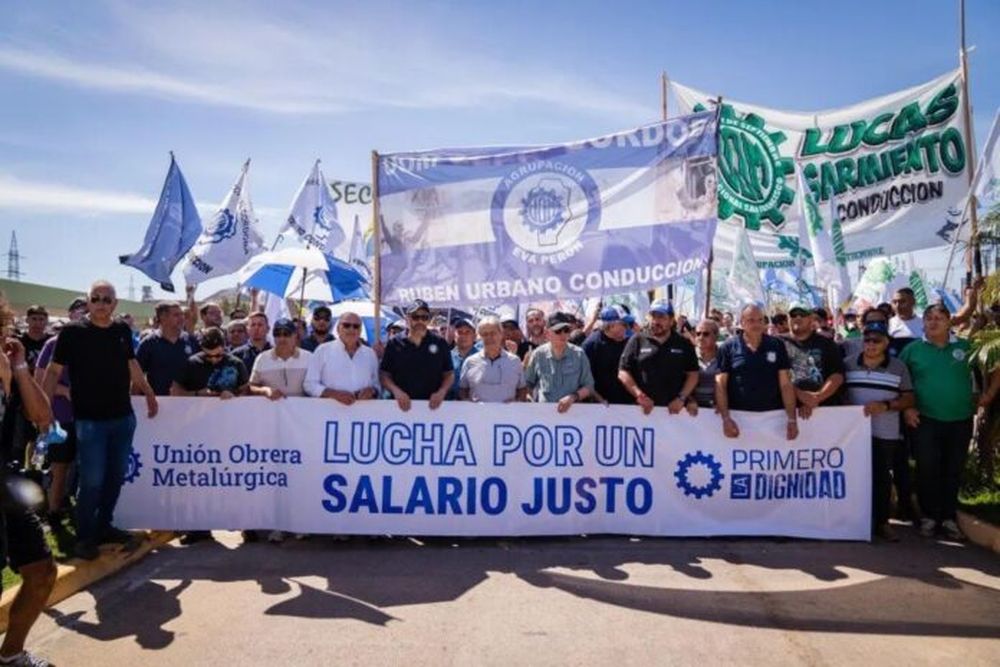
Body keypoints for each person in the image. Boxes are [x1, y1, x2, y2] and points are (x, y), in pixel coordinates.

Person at [43, 281, 158, 560]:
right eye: (95, 298)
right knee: (92, 481)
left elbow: (132, 363)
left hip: (123, 418)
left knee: (115, 477)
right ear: (88, 302)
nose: (101, 304)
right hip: (89, 421)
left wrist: (147, 391)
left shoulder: (121, 330)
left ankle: (104, 527)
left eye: (107, 299)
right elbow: (53, 371)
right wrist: (43, 409)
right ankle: (85, 537)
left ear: (115, 304)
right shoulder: (72, 333)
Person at [1, 329, 57, 667]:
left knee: (42, 572)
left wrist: (20, 368)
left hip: (7, 483)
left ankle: (10, 654)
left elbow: (43, 417)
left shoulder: (10, 367)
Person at [900, 304, 976, 540]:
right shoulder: (912, 350)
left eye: (939, 318)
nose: (933, 322)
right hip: (925, 419)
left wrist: (988, 394)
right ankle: (929, 517)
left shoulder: (966, 347)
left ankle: (949, 518)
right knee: (927, 468)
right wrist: (907, 408)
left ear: (949, 322)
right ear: (923, 323)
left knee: (953, 469)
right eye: (929, 318)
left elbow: (990, 369)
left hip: (961, 418)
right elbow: (899, 381)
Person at [842, 321, 915, 541]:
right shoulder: (847, 364)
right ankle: (852, 522)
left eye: (877, 340)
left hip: (885, 432)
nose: (871, 344)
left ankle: (882, 523)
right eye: (867, 339)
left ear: (886, 343)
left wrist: (886, 405)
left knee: (882, 478)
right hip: (852, 433)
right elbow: (840, 392)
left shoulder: (898, 367)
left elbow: (909, 398)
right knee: (854, 477)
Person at [34, 299, 88, 530]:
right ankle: (53, 513)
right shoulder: (53, 344)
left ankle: (83, 513)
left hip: (90, 417)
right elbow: (39, 380)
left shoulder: (95, 343)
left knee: (90, 469)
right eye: (79, 312)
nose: (83, 315)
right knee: (60, 468)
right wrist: (65, 391)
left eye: (86, 312)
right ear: (70, 314)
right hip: (61, 417)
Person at [715, 303, 798, 440]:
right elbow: (720, 385)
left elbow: (785, 384)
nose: (757, 324)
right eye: (751, 320)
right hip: (739, 418)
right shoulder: (728, 347)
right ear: (742, 322)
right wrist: (725, 418)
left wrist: (792, 419)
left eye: (760, 320)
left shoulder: (777, 345)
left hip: (774, 418)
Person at [617, 300, 698, 416]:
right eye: (653, 316)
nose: (655, 321)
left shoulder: (683, 343)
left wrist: (681, 398)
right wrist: (639, 395)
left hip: (675, 412)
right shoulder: (637, 340)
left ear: (671, 320)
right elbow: (623, 372)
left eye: (661, 317)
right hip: (642, 412)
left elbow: (693, 374)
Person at [380, 300, 453, 411]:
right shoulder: (394, 343)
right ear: (407, 319)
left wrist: (442, 392)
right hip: (400, 408)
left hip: (432, 409)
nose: (420, 321)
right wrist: (396, 391)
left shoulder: (440, 343)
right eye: (415, 317)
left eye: (424, 317)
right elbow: (384, 374)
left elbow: (449, 374)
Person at [783, 303, 845, 418]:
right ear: (788, 318)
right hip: (786, 413)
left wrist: (817, 397)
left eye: (802, 314)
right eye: (793, 314)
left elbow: (837, 375)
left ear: (811, 319)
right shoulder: (777, 344)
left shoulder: (827, 344)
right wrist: (800, 395)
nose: (798, 318)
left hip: (822, 412)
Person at [524, 312, 594, 412]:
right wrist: (528, 398)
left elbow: (589, 386)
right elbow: (528, 383)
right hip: (544, 414)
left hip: (573, 413)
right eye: (558, 331)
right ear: (547, 333)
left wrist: (573, 397)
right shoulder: (538, 355)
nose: (563, 334)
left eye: (566, 330)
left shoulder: (579, 354)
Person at [304, 311, 380, 403]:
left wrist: (372, 391)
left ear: (360, 331)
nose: (351, 329)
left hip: (363, 410)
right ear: (338, 329)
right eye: (346, 325)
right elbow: (309, 384)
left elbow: (377, 385)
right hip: (330, 410)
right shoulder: (322, 350)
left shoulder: (370, 354)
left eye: (356, 326)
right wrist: (333, 394)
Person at [136, 301, 201, 397]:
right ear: (163, 317)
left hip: (189, 402)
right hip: (159, 403)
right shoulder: (148, 343)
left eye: (182, 314)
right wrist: (134, 400)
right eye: (176, 315)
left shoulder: (192, 341)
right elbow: (137, 377)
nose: (182, 318)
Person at [459, 317, 527, 403]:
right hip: (478, 411)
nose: (489, 337)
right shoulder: (470, 362)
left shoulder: (514, 361)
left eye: (493, 333)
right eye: (485, 334)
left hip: (507, 411)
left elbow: (522, 389)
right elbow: (463, 390)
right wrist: (469, 404)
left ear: (501, 334)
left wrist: (516, 404)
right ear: (480, 337)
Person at [171, 327, 250, 400]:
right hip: (198, 409)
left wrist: (233, 397)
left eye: (218, 355)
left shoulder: (236, 363)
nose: (213, 359)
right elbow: (174, 391)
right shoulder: (191, 363)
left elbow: (246, 391)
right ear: (202, 349)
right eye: (208, 356)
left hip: (229, 408)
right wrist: (197, 394)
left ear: (224, 347)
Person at [248, 318, 312, 400]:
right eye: (277, 334)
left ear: (295, 335)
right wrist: (265, 390)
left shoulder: (309, 358)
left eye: (286, 334)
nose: (282, 338)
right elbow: (251, 387)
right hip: (271, 407)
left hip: (303, 407)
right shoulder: (262, 358)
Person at [582, 307, 631, 405]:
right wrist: (599, 399)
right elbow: (584, 378)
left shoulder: (629, 342)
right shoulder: (591, 345)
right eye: (623, 324)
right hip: (601, 406)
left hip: (628, 404)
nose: (627, 327)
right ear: (611, 326)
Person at [448, 318, 480, 399]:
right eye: (460, 332)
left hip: (474, 402)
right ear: (454, 336)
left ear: (474, 336)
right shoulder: (446, 357)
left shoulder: (482, 358)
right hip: (450, 402)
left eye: (467, 332)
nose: (463, 336)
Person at [693, 319, 720, 409]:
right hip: (691, 411)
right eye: (698, 334)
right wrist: (690, 400)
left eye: (706, 334)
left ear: (716, 336)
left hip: (717, 410)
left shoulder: (725, 356)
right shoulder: (689, 355)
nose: (700, 337)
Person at [19, 306, 50, 372]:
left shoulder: (52, 342)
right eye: (34, 319)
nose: (37, 323)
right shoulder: (19, 341)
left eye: (41, 319)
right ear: (27, 320)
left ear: (47, 321)